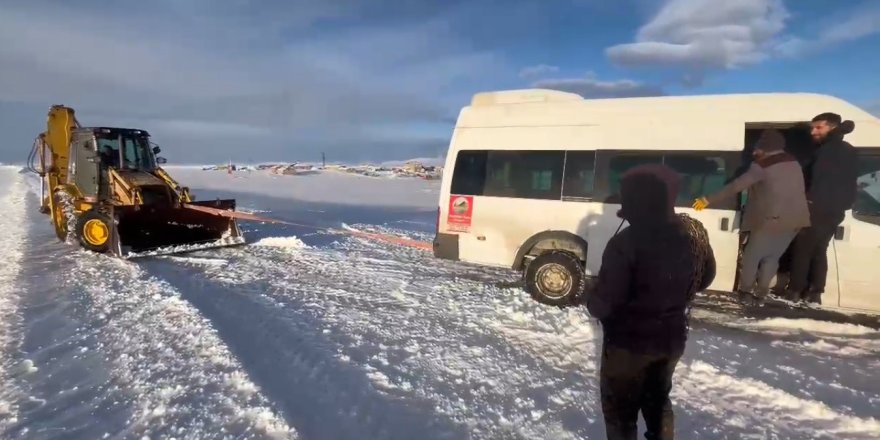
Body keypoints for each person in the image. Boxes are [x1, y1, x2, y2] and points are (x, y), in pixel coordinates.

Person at [587, 164, 716, 440]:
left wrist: (591, 294)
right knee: (658, 402)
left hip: (627, 347)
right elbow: (705, 278)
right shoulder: (692, 232)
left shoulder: (625, 243)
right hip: (671, 338)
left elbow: (603, 304)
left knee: (621, 412)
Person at [692, 129, 810, 305]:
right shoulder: (794, 162)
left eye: (757, 149)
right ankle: (761, 294)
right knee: (771, 258)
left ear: (765, 148)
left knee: (752, 258)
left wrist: (707, 199)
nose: (754, 152)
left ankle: (745, 293)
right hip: (795, 221)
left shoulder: (761, 166)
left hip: (771, 220)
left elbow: (736, 186)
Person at [786, 113, 858, 304]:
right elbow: (851, 184)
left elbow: (816, 181)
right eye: (812, 127)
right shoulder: (849, 150)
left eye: (818, 127)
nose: (813, 132)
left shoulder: (824, 151)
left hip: (816, 208)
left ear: (832, 127)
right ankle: (815, 292)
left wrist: (807, 203)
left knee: (803, 249)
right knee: (819, 249)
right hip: (836, 211)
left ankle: (794, 291)